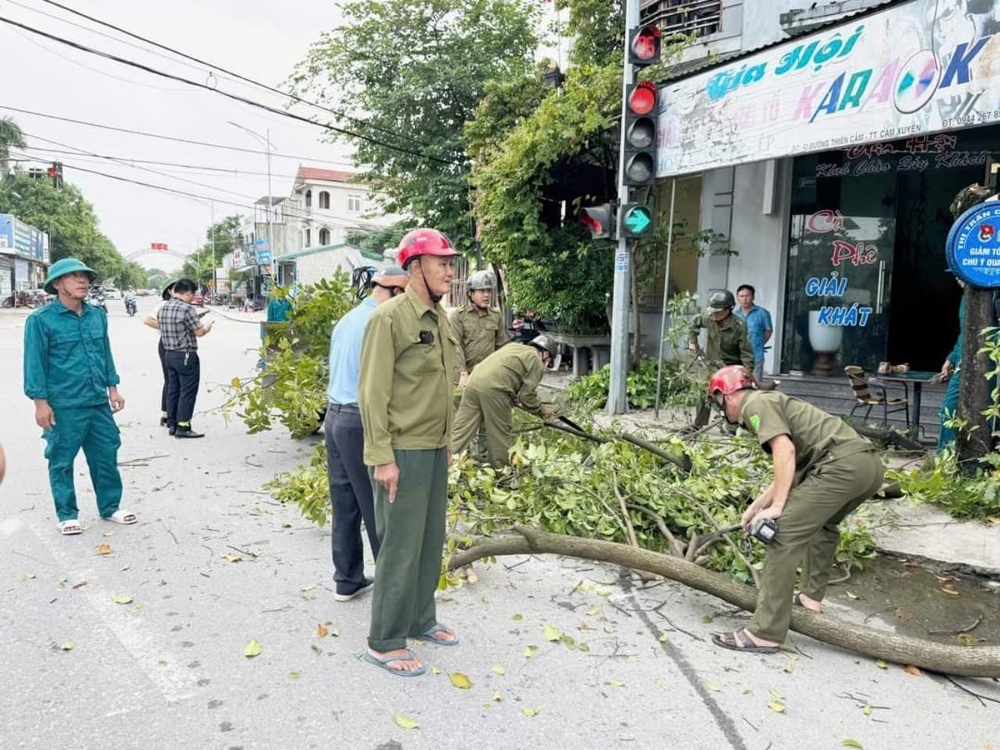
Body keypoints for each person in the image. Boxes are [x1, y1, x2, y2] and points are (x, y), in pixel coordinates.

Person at [706, 365, 883, 653]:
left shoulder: (756, 404)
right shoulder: (770, 402)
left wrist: (777, 508)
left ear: (726, 395)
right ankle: (811, 600)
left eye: (718, 403)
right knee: (823, 526)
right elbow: (791, 467)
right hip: (867, 467)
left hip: (840, 467)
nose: (721, 411)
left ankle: (765, 632)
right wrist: (757, 505)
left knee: (783, 532)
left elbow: (784, 452)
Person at [358, 227, 460, 677]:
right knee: (399, 546)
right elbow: (372, 393)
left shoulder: (441, 319)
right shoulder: (390, 318)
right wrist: (382, 456)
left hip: (435, 449)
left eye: (451, 263)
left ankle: (421, 619)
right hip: (402, 450)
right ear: (415, 267)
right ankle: (385, 639)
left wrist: (450, 443)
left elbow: (444, 387)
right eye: (442, 263)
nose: (450, 272)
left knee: (428, 540)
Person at [23, 258, 137, 535]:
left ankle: (110, 507)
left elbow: (104, 352)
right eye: (74, 277)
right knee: (61, 459)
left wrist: (113, 387)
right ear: (58, 284)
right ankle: (67, 514)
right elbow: (34, 363)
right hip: (63, 404)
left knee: (106, 454)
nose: (83, 281)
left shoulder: (97, 315)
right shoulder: (40, 320)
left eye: (85, 277)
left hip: (97, 401)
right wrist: (41, 404)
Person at [324, 266, 409, 603]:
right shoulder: (381, 322)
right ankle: (393, 590)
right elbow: (379, 382)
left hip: (335, 418)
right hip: (360, 420)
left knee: (345, 504)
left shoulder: (348, 319)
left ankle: (347, 579)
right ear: (396, 292)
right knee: (379, 505)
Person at [452, 336, 557, 467]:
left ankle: (446, 465)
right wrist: (542, 410)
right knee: (499, 436)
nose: (547, 364)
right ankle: (502, 475)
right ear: (545, 353)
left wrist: (512, 397)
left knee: (461, 430)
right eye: (549, 361)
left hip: (473, 382)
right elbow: (527, 396)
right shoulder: (536, 360)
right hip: (494, 389)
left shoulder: (514, 347)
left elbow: (507, 372)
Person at [688, 290, 754, 427]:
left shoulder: (739, 326)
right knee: (703, 391)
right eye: (713, 311)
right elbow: (694, 322)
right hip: (712, 363)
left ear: (729, 309)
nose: (715, 314)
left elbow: (746, 352)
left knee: (730, 397)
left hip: (731, 367)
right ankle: (698, 424)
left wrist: (746, 372)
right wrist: (692, 341)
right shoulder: (709, 317)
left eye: (718, 311)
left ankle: (732, 426)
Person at [157, 278, 214, 438]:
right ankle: (183, 427)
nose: (193, 297)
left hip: (168, 354)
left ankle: (173, 424)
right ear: (188, 292)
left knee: (172, 389)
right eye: (193, 294)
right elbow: (199, 332)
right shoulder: (187, 309)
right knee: (187, 391)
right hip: (185, 355)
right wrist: (208, 327)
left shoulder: (163, 308)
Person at [450, 270, 507, 388]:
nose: (486, 295)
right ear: (470, 293)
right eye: (481, 291)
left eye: (488, 291)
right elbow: (456, 346)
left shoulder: (496, 316)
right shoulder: (459, 316)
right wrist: (463, 372)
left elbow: (501, 346)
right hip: (464, 378)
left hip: (488, 377)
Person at [938, 276, 966, 452]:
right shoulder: (965, 298)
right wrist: (951, 358)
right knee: (948, 410)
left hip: (986, 364)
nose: (957, 277)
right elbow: (965, 334)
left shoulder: (992, 296)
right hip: (962, 362)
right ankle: (945, 457)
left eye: (959, 272)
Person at [144, 280, 177, 428]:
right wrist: (167, 327)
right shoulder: (163, 305)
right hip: (167, 343)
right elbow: (147, 320)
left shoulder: (182, 306)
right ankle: (168, 415)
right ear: (169, 291)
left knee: (173, 380)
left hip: (178, 344)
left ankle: (168, 413)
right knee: (171, 380)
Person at [733, 284, 773, 385]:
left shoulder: (762, 313)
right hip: (738, 357)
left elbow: (768, 331)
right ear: (737, 298)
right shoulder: (733, 315)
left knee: (755, 384)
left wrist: (759, 344)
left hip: (756, 355)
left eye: (747, 296)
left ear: (753, 297)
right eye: (741, 296)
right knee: (738, 384)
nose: (744, 299)